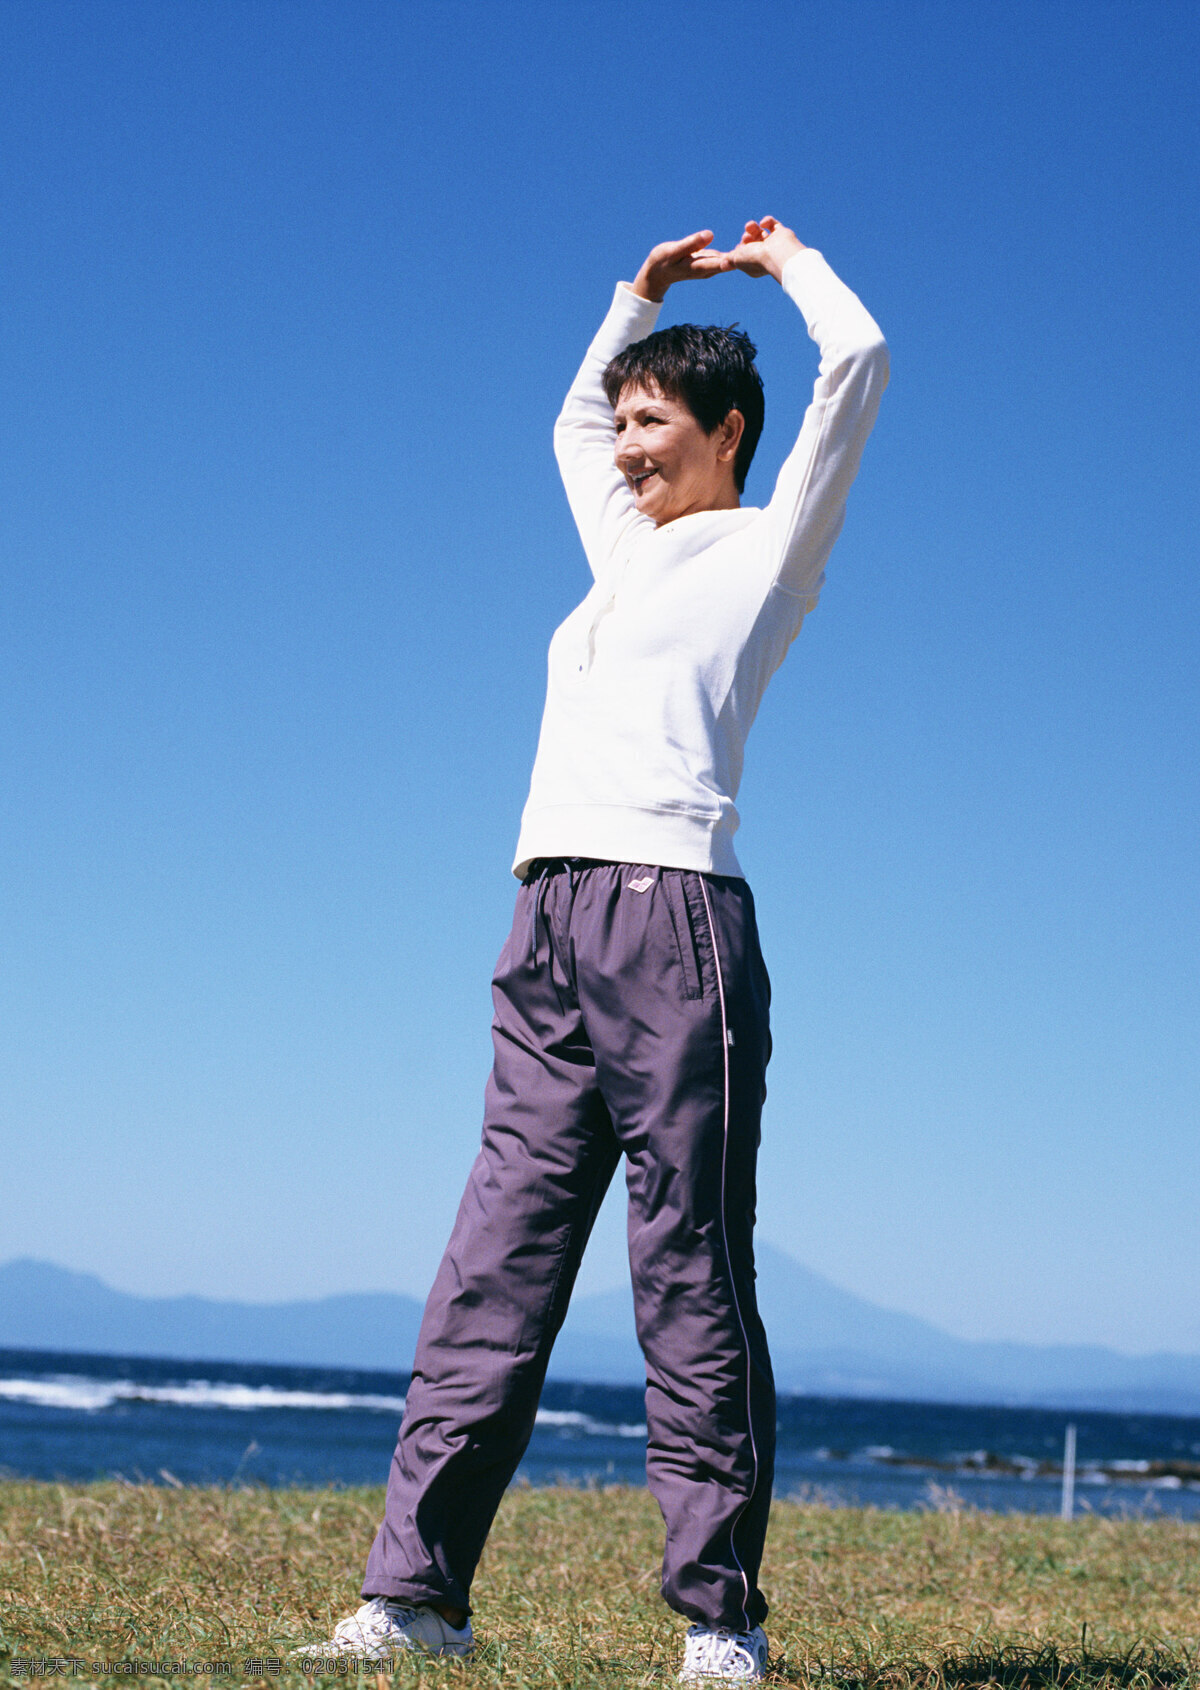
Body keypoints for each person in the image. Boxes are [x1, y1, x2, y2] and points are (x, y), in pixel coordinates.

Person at [304, 217, 888, 1680]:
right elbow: (565, 419)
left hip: (674, 913)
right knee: (493, 1258)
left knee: (684, 1264)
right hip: (547, 914)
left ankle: (718, 1622)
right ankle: (418, 1595)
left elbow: (861, 360)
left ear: (726, 431)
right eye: (622, 425)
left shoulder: (767, 550)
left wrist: (785, 266)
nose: (623, 449)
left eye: (653, 424)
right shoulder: (619, 554)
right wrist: (638, 293)